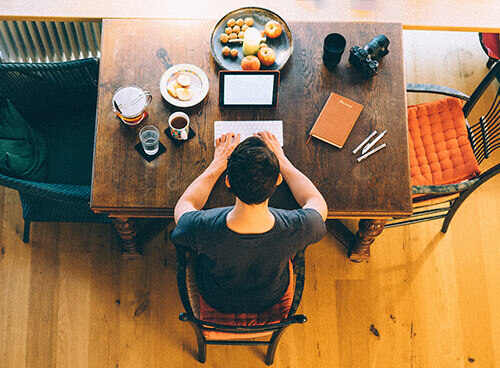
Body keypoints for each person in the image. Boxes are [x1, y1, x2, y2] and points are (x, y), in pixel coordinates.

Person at [171, 131, 327, 313]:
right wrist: (282, 160)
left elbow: (184, 205)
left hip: (217, 297)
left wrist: (217, 164)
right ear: (278, 179)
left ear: (228, 181)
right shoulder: (299, 227)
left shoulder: (201, 227)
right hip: (269, 296)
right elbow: (316, 201)